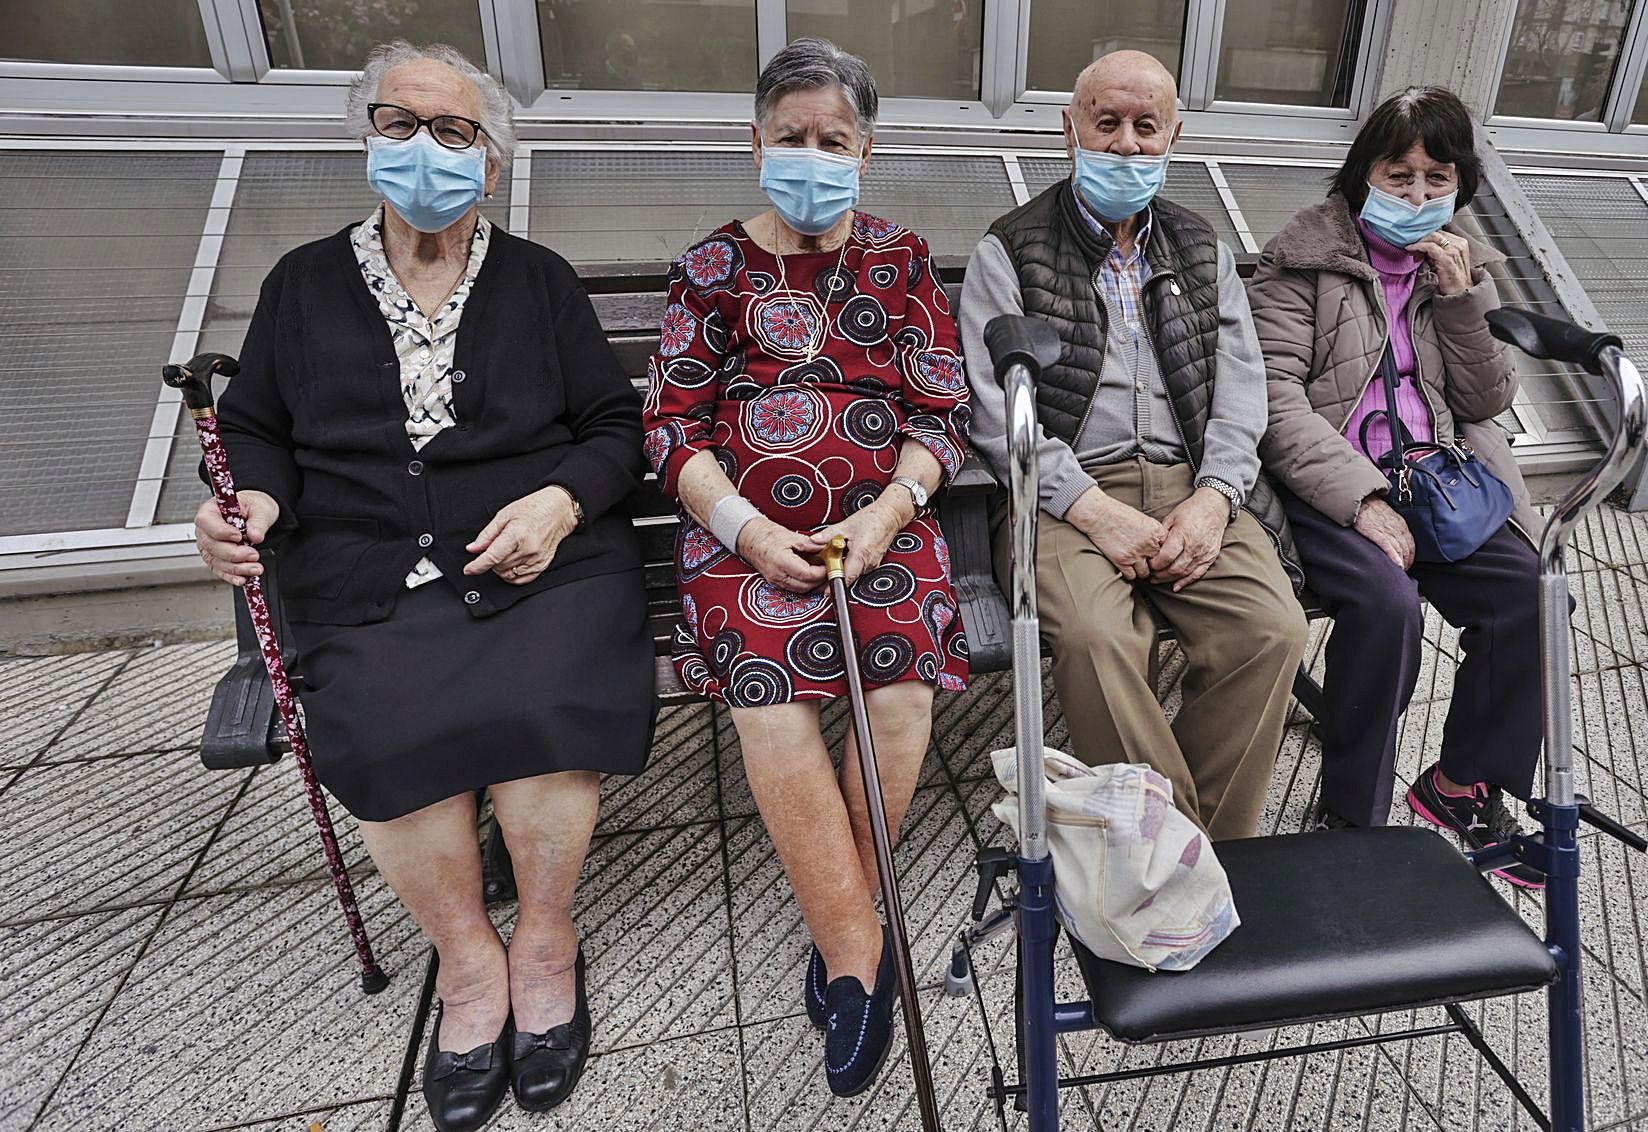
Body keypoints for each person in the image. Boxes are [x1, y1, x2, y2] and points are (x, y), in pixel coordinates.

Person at [190, 41, 652, 1129]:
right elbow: (254, 426)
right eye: (402, 124)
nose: (426, 150)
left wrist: (558, 504)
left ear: (488, 165)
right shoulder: (303, 283)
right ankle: (467, 960)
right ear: (369, 140)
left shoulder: (535, 281)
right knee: (387, 726)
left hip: (539, 565)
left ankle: (543, 936)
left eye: (454, 133)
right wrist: (245, 502)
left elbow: (612, 426)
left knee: (543, 703)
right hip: (363, 564)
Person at [641, 38, 971, 1097]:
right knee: (770, 686)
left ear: (865, 154)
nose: (813, 155)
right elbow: (669, 426)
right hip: (746, 537)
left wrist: (890, 509)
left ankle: (844, 924)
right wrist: (741, 528)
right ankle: (854, 953)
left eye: (834, 140)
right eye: (792, 138)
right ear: (755, 144)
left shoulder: (903, 259)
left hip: (883, 522)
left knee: (903, 678)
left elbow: (941, 410)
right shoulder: (712, 267)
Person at [959, 50, 1308, 842]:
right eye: (1105, 122)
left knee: (1270, 632)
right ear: (1068, 130)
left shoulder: (1197, 246)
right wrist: (1091, 510)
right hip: (1059, 494)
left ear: (1173, 136)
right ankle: (1169, 853)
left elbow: (1241, 388)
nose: (1124, 144)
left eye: (1144, 127)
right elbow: (990, 409)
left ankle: (1203, 852)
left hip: (1191, 485)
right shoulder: (1008, 249)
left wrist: (1217, 498)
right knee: (1095, 638)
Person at [1248, 86, 1545, 887]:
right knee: (1387, 606)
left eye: (1436, 179)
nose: (1416, 196)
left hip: (1435, 482)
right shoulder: (1299, 264)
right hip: (1327, 488)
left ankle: (1459, 783)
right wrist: (1362, 499)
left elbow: (1487, 401)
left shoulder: (1460, 269)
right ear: (1361, 176)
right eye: (1398, 174)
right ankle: (1353, 809)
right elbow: (1272, 401)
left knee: (1532, 595)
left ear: (1460, 186)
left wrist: (1462, 303)